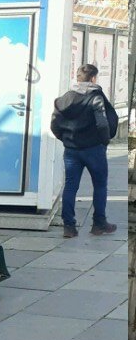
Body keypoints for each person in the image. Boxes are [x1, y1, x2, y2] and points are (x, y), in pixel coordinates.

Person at [51, 63, 118, 237]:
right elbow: (102, 123)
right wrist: (104, 141)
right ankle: (99, 224)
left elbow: (54, 124)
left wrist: (64, 138)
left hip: (71, 150)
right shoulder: (95, 97)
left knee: (71, 186)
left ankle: (69, 227)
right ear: (94, 78)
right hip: (94, 149)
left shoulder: (64, 99)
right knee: (100, 185)